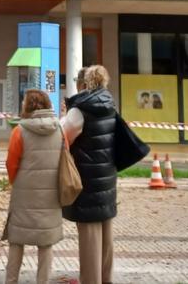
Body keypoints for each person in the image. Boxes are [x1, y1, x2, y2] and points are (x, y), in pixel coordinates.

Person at [61, 65, 117, 284]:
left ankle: (91, 281)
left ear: (83, 84)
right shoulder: (110, 104)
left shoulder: (80, 109)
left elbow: (63, 134)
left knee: (90, 237)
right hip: (107, 177)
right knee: (105, 233)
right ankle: (106, 279)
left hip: (88, 177)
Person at [3, 89, 63, 284]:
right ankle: (43, 281)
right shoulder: (60, 129)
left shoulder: (19, 131)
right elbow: (65, 158)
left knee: (17, 239)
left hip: (24, 192)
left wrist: (16, 182)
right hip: (51, 192)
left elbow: (11, 163)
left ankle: (11, 280)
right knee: (46, 243)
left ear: (27, 106)